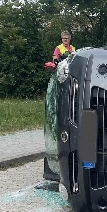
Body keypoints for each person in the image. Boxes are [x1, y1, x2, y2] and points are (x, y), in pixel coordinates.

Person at [43, 31, 77, 188]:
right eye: (63, 38)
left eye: (67, 38)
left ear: (69, 39)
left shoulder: (73, 49)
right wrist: (57, 62)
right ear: (61, 39)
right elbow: (55, 60)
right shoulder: (58, 49)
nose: (65, 40)